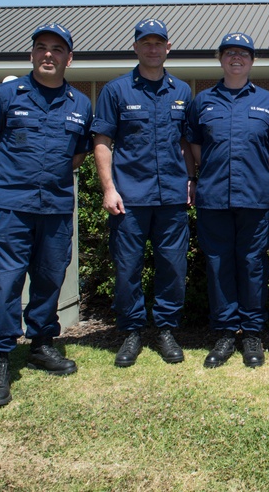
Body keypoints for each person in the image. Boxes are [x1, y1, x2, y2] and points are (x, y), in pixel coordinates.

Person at [0, 23, 93, 408]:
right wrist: (9, 182)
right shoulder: (5, 96)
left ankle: (42, 343)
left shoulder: (80, 104)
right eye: (41, 48)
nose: (49, 55)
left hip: (55, 208)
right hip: (9, 209)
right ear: (31, 55)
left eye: (57, 50)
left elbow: (76, 157)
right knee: (4, 282)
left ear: (69, 58)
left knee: (48, 277)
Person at [91, 19, 194, 368]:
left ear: (168, 48)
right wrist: (108, 188)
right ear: (135, 47)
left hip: (172, 200)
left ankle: (165, 330)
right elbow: (102, 142)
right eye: (145, 43)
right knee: (127, 269)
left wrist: (190, 180)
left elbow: (185, 141)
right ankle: (132, 331)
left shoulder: (181, 91)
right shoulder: (116, 91)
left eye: (158, 43)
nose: (152, 48)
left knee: (173, 268)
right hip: (129, 199)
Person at [187, 32, 269, 368]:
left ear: (252, 61)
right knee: (218, 264)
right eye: (229, 53)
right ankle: (225, 333)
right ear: (220, 59)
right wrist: (201, 176)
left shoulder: (267, 102)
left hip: (254, 197)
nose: (236, 59)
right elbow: (194, 147)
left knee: (253, 265)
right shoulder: (203, 101)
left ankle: (252, 334)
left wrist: (254, 172)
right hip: (213, 197)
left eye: (243, 54)